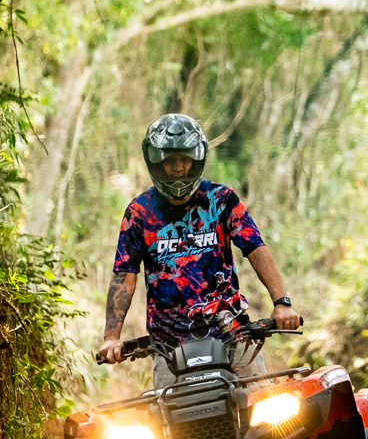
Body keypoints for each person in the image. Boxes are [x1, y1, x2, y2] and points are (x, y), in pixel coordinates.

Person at [97, 113, 303, 387]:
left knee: (268, 419)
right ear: (156, 161)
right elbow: (125, 276)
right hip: (169, 350)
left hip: (233, 336)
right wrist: (112, 336)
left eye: (184, 158)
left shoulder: (220, 199)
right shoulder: (140, 213)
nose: (179, 167)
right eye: (170, 160)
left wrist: (281, 303)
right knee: (166, 426)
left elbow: (255, 248)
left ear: (197, 158)